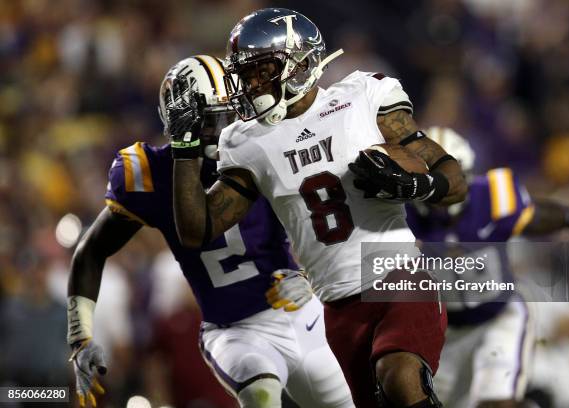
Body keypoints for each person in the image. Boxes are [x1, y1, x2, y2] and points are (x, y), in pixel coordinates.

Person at [171, 8, 468, 408]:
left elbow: (451, 176)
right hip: (338, 307)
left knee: (399, 378)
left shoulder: (361, 97)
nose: (250, 83)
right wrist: (185, 152)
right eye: (246, 74)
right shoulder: (245, 141)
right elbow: (198, 229)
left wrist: (419, 184)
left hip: (400, 280)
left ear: (299, 64)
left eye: (262, 70)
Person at [66, 54, 354, 408]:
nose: (225, 128)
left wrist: (310, 276)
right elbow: (91, 250)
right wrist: (80, 338)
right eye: (211, 119)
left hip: (302, 315)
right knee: (260, 396)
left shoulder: (260, 146)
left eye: (231, 113)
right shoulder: (149, 174)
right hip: (235, 331)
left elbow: (328, 221)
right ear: (177, 122)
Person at [405, 126, 569, 407]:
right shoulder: (402, 218)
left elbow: (564, 217)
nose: (443, 190)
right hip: (446, 334)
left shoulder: (492, 198)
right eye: (433, 181)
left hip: (499, 318)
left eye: (449, 178)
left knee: (496, 401)